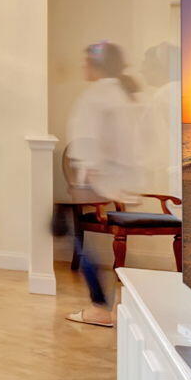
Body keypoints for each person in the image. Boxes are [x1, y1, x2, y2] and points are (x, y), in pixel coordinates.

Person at [63, 41, 146, 326]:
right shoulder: (122, 93)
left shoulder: (97, 95)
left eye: (86, 62)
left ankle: (100, 306)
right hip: (118, 179)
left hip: (99, 180)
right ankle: (103, 303)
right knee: (66, 227)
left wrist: (88, 174)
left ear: (97, 65)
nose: (82, 67)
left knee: (67, 226)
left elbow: (86, 142)